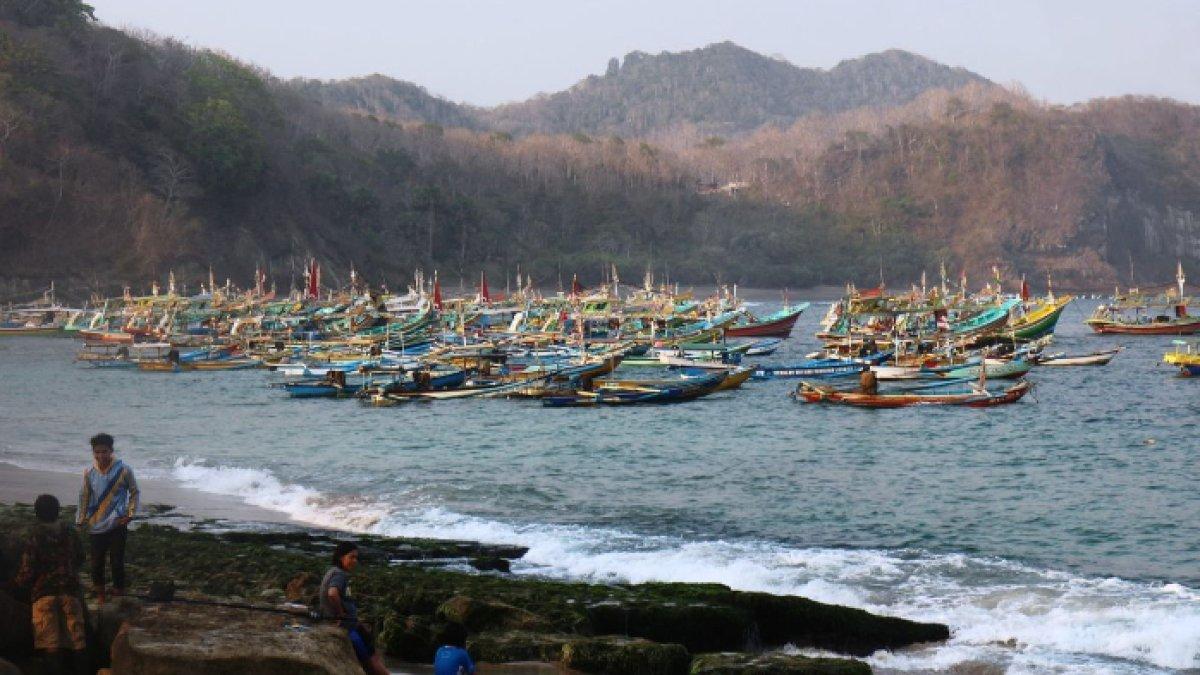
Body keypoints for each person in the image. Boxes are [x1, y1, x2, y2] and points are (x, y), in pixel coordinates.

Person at [14, 494, 89, 675]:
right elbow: (80, 557)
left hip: (44, 595)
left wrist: (13, 586)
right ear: (58, 511)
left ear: (37, 513)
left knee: (50, 644)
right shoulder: (70, 532)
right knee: (77, 643)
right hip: (70, 593)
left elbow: (27, 572)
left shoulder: (35, 536)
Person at [77, 432, 138, 604]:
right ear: (93, 452)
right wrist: (81, 519)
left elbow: (134, 492)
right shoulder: (89, 472)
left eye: (104, 451)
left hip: (118, 523)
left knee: (117, 562)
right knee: (96, 563)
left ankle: (118, 592)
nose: (101, 455)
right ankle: (101, 595)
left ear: (111, 451)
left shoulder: (124, 470)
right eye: (97, 452)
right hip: (96, 524)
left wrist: (130, 514)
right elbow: (84, 496)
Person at [319, 542, 389, 675]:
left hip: (350, 624)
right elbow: (332, 593)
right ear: (341, 557)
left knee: (370, 650)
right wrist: (341, 613)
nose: (355, 561)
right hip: (347, 626)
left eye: (356, 558)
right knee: (372, 659)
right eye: (351, 557)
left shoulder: (332, 571)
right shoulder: (339, 574)